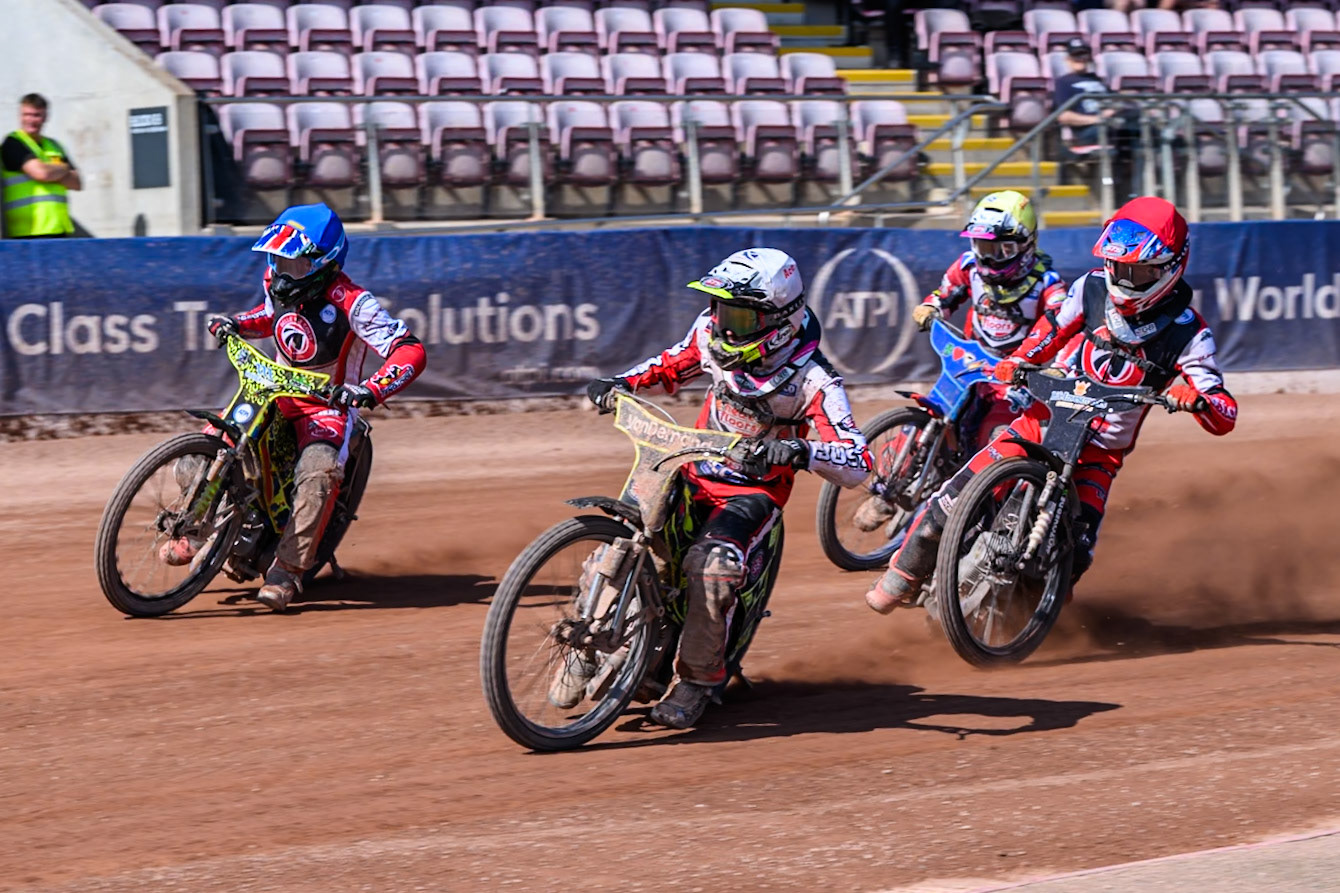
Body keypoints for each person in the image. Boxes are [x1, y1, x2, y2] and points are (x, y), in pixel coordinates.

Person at [865, 196, 1237, 614]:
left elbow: (1225, 412)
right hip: (1041, 420)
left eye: (1138, 271)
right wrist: (1021, 358)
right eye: (1116, 267)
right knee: (957, 491)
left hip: (1098, 454)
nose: (1123, 279)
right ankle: (903, 575)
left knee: (1077, 551)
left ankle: (1035, 618)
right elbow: (1054, 327)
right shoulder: (1091, 287)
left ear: (1170, 266)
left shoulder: (1191, 334)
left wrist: (1199, 400)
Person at [577, 248, 872, 729]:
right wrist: (621, 382)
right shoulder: (709, 334)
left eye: (738, 315)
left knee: (710, 569)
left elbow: (858, 463)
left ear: (779, 320)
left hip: (749, 495)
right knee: (623, 542)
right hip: (688, 468)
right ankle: (595, 639)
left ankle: (697, 681)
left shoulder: (815, 380)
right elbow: (670, 364)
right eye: (720, 309)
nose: (724, 324)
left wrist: (801, 451)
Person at [160, 203, 427, 611]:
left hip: (325, 408)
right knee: (205, 449)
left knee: (318, 473)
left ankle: (287, 570)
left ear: (324, 263)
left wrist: (369, 390)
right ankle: (196, 530)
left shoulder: (355, 303)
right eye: (278, 260)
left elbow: (409, 351)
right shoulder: (275, 280)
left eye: (295, 264)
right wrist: (237, 323)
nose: (283, 274)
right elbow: (269, 316)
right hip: (273, 391)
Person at [853, 191, 1068, 533]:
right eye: (983, 247)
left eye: (1000, 250)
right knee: (927, 416)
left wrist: (1048, 363)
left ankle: (985, 518)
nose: (989, 258)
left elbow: (1063, 325)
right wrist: (932, 306)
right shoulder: (969, 267)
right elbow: (946, 293)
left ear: (1025, 245)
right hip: (969, 364)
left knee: (996, 440)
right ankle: (886, 489)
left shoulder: (1047, 284)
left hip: (1015, 380)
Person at [1, 93, 81, 238]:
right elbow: (42, 173)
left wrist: (51, 171)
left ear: (45, 117)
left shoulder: (54, 145)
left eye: (36, 115)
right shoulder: (13, 143)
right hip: (28, 232)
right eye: (27, 114)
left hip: (58, 229)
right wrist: (64, 168)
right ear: (20, 116)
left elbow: (77, 183)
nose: (31, 120)